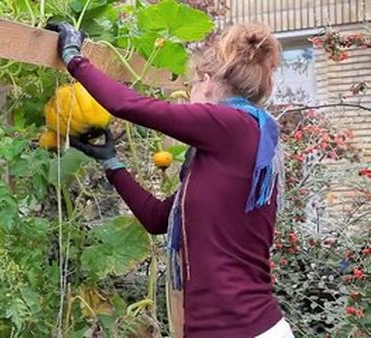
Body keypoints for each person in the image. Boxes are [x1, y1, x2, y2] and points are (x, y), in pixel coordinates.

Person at [46, 21, 294, 338]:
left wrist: (73, 57)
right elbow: (158, 218)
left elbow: (128, 105)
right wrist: (112, 162)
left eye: (190, 85)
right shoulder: (242, 138)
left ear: (206, 83)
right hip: (247, 327)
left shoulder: (233, 125)